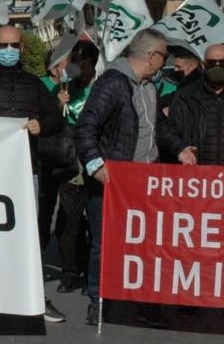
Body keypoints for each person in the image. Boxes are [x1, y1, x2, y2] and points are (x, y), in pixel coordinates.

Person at [0, 24, 66, 324]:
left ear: (21, 48)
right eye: (3, 46)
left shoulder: (35, 84)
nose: (9, 51)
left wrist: (42, 125)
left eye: (14, 46)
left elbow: (54, 119)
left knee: (28, 236)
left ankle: (35, 296)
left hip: (26, 172)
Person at [75, 28, 170, 328]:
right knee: (104, 244)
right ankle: (98, 300)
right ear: (151, 56)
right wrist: (95, 163)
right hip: (112, 181)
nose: (165, 63)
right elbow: (86, 126)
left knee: (145, 244)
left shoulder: (150, 88)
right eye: (164, 57)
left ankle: (141, 300)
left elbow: (159, 129)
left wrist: (179, 150)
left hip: (145, 180)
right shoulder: (113, 84)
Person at [40, 40, 99, 295]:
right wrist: (57, 101)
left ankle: (93, 274)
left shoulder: (103, 87)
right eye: (73, 61)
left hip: (97, 164)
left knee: (96, 222)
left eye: (81, 61)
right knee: (67, 221)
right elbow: (49, 121)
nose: (76, 66)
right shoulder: (64, 87)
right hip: (69, 164)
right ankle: (70, 272)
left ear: (92, 63)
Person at [157, 47, 200, 115]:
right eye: (175, 67)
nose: (175, 70)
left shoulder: (200, 90)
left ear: (192, 68)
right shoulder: (182, 88)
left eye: (178, 67)